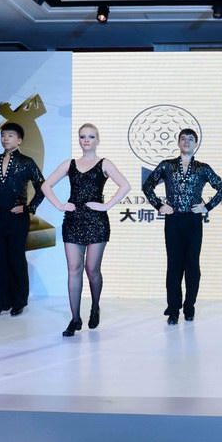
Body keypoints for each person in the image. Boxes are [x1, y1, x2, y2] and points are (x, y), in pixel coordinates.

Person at [41, 123, 131, 337]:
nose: (87, 140)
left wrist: (106, 205)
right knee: (73, 268)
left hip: (96, 221)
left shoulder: (104, 163)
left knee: (92, 269)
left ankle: (95, 306)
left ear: (97, 139)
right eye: (83, 136)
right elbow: (45, 185)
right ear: (79, 140)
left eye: (91, 136)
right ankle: (75, 319)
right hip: (73, 220)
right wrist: (60, 205)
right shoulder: (69, 164)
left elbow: (125, 185)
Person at [142, 128, 222, 325]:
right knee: (174, 266)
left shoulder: (202, 168)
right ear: (178, 142)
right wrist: (159, 205)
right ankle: (173, 310)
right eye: (183, 138)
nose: (186, 142)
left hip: (193, 221)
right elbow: (147, 186)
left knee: (192, 266)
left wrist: (207, 207)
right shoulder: (167, 165)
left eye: (190, 139)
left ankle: (189, 307)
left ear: (196, 144)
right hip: (173, 221)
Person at [0, 122, 45, 318]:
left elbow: (42, 187)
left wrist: (28, 207)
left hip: (18, 218)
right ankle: (2, 302)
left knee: (16, 258)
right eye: (3, 135)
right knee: (1, 259)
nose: (6, 138)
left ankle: (19, 301)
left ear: (19, 140)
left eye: (11, 135)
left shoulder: (27, 162)